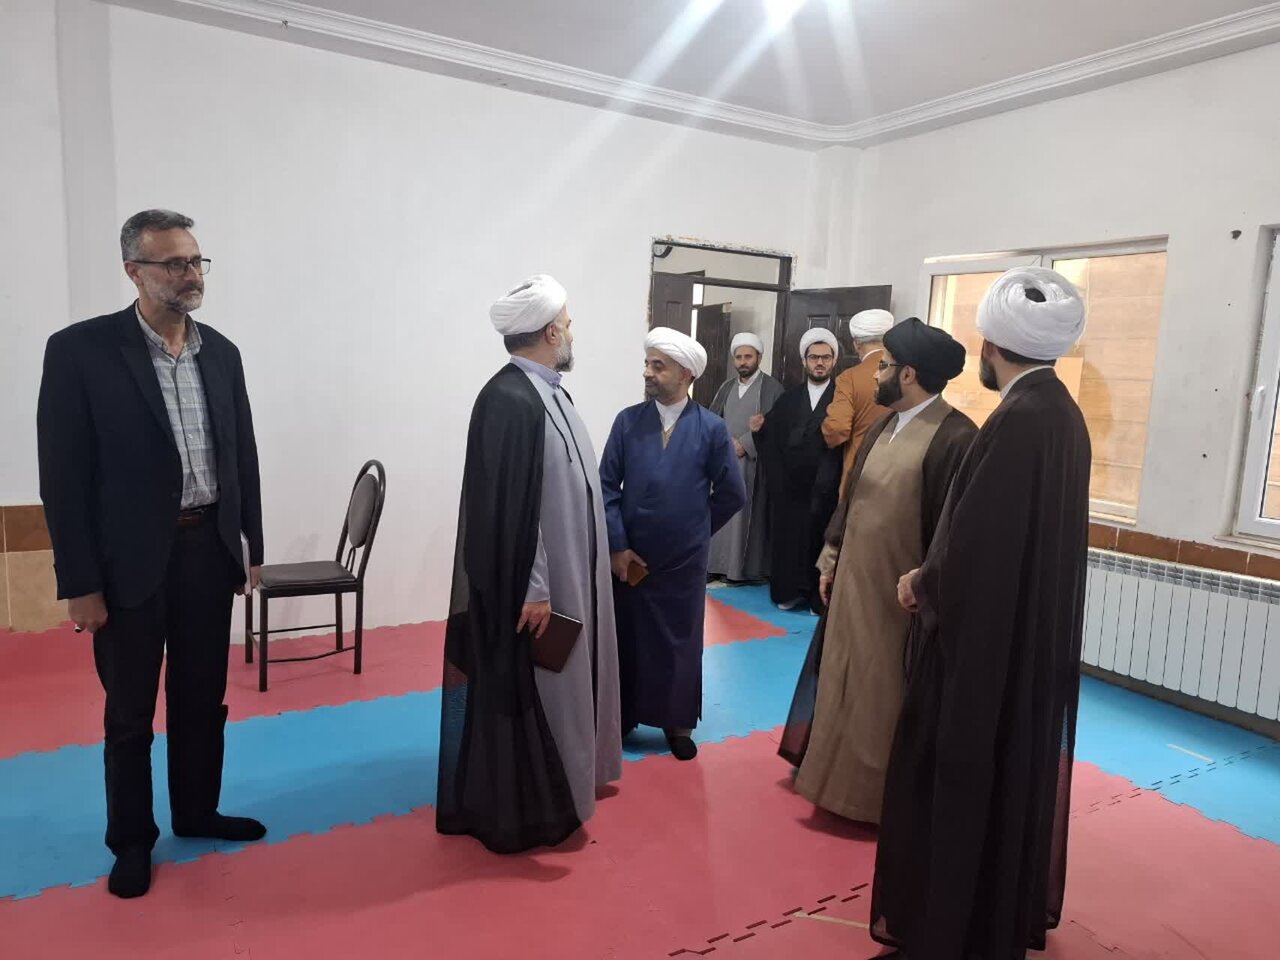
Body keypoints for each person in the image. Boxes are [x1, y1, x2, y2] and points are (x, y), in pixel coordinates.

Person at [37, 209, 266, 899]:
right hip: (126, 565)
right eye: (174, 264)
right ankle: (132, 841)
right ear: (134, 271)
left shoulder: (221, 352)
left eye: (196, 261)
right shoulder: (80, 352)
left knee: (202, 698)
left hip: (207, 553)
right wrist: (80, 583)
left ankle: (197, 810)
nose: (190, 274)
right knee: (130, 711)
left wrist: (248, 546)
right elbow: (63, 479)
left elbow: (242, 457)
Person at [870, 268, 1092, 959]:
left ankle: (953, 929)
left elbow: (977, 542)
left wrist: (923, 583)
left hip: (985, 647)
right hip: (1025, 634)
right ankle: (995, 911)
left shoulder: (1018, 421)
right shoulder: (1061, 411)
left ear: (993, 346)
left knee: (959, 773)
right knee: (1009, 776)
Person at [437, 274, 622, 854]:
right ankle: (541, 802)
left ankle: (572, 780)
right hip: (542, 589)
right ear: (549, 333)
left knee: (571, 682)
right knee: (546, 688)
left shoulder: (546, 391)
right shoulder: (510, 400)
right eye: (567, 323)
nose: (572, 331)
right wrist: (534, 586)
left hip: (573, 576)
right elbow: (510, 510)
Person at [779, 319, 976, 825]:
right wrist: (830, 558)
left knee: (881, 690)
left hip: (900, 597)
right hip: (852, 582)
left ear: (909, 374)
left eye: (884, 366)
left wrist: (926, 583)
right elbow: (852, 500)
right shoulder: (885, 425)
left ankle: (872, 799)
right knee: (840, 676)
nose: (876, 375)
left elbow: (956, 529)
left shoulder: (956, 436)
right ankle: (829, 781)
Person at [601, 327, 746, 761]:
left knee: (680, 642)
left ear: (685, 374)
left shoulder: (711, 429)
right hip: (630, 556)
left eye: (658, 366)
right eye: (647, 364)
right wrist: (617, 545)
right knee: (628, 637)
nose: (648, 373)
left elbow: (732, 493)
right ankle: (622, 717)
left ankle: (677, 723)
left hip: (684, 561)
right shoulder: (627, 422)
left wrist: (695, 532)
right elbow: (606, 486)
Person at [757, 328, 843, 613]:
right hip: (791, 488)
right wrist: (759, 431)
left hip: (826, 486)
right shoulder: (788, 399)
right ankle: (789, 592)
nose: (820, 363)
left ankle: (819, 599)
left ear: (834, 361)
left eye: (825, 357)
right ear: (804, 361)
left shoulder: (841, 397)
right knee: (790, 539)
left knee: (820, 538)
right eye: (814, 357)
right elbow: (772, 436)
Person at [707, 332, 784, 583]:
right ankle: (715, 566)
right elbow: (712, 419)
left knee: (743, 517)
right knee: (720, 512)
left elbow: (777, 425)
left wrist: (745, 443)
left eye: (748, 356)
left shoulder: (772, 388)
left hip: (754, 464)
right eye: (738, 357)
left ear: (759, 357)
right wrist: (724, 443)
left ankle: (739, 571)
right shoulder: (726, 387)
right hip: (723, 460)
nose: (743, 362)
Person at [822, 308, 892, 495]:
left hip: (861, 471)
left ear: (856, 343)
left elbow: (837, 429)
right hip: (899, 472)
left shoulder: (850, 378)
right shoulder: (905, 372)